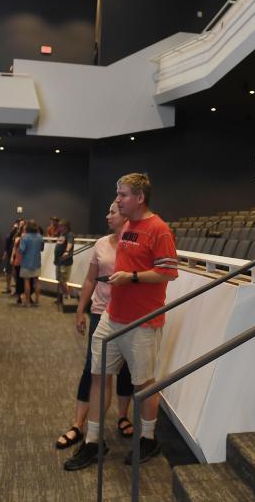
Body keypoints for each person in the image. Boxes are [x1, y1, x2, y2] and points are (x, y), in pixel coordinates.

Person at [64, 173, 178, 470]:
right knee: (99, 376)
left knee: (143, 383)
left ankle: (149, 439)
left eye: (123, 195)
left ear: (140, 198)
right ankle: (92, 441)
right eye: (117, 193)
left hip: (143, 322)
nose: (117, 200)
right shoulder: (127, 226)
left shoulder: (159, 229)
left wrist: (134, 277)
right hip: (112, 317)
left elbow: (167, 273)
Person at [56, 203, 135, 450]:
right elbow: (90, 279)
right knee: (92, 368)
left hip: (129, 314)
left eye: (113, 211)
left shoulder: (136, 243)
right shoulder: (101, 243)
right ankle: (78, 424)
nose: (107, 215)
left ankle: (123, 416)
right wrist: (81, 309)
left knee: (124, 369)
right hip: (101, 313)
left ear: (126, 215)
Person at [19, 220, 44, 306]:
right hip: (37, 262)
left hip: (26, 262)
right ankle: (37, 300)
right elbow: (42, 249)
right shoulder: (40, 237)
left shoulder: (25, 237)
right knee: (36, 281)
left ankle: (28, 302)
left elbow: (21, 250)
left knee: (27, 282)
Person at [54, 219, 75, 307]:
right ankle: (61, 296)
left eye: (61, 226)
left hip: (65, 262)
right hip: (58, 261)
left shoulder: (70, 234)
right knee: (59, 279)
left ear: (65, 226)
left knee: (63, 280)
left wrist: (67, 251)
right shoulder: (62, 234)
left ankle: (66, 296)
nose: (59, 227)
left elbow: (69, 243)